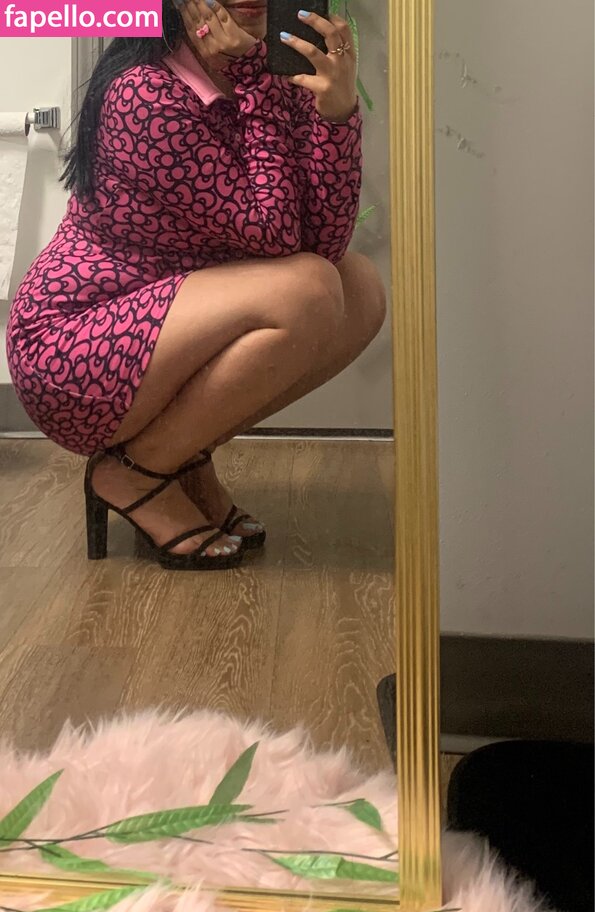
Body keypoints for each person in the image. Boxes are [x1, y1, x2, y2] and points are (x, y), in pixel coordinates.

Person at [6, 0, 386, 570]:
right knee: (307, 290)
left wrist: (336, 113)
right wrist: (255, 82)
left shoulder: (272, 71)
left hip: (171, 321)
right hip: (73, 346)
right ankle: (134, 473)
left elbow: (323, 246)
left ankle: (180, 456)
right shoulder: (144, 93)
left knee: (357, 288)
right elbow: (275, 235)